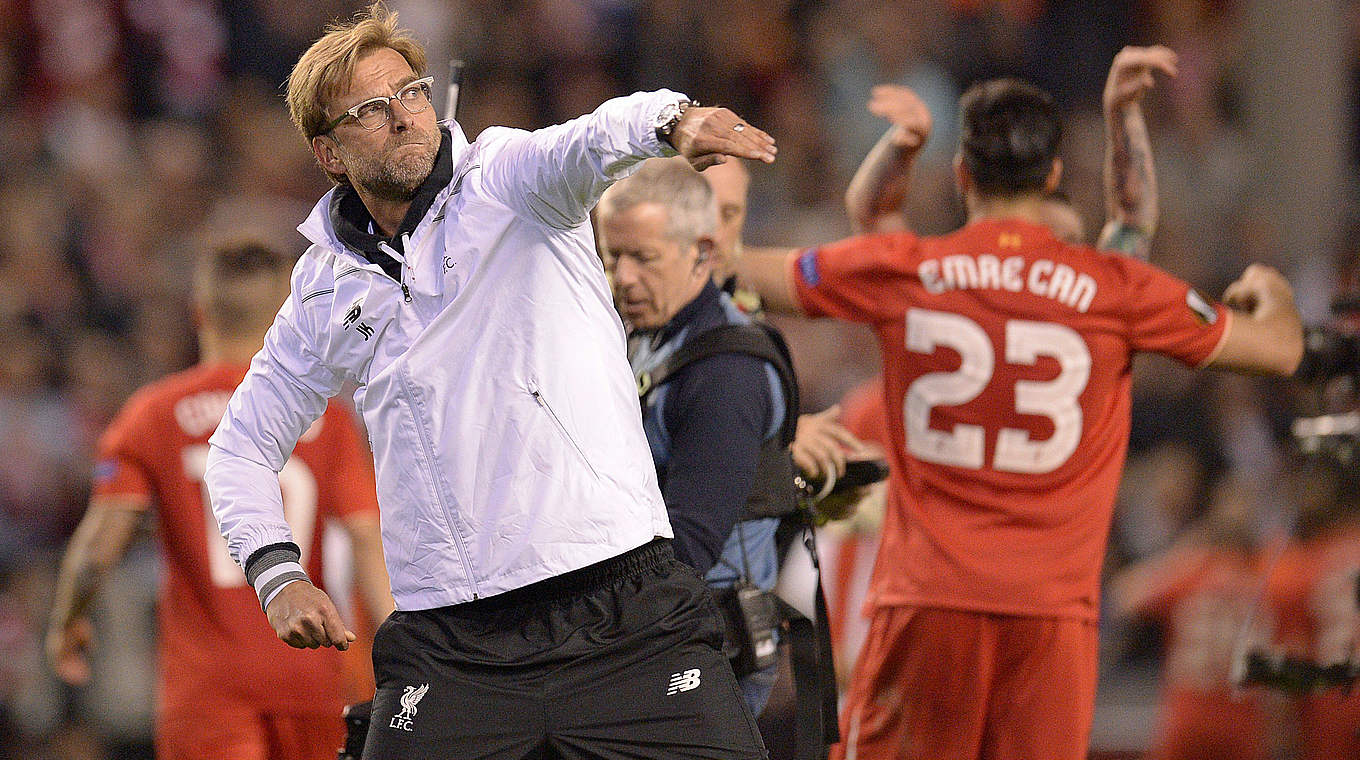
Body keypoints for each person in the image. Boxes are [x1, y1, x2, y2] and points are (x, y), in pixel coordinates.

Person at [202, 4, 777, 759]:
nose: (404, 117)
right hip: (453, 642)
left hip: (621, 609)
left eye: (409, 92)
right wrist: (277, 574)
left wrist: (670, 120)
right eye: (370, 111)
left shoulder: (508, 179)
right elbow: (239, 448)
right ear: (328, 154)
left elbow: (589, 138)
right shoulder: (322, 289)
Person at [735, 68, 1304, 759]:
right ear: (1054, 174)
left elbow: (748, 271)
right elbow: (1276, 349)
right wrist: (1271, 289)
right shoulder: (1113, 289)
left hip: (927, 604)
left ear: (962, 175)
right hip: (1052, 619)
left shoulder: (909, 269)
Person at [45, 238, 394, 760]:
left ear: (200, 313)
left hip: (207, 692)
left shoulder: (154, 414)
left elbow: (100, 547)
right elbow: (369, 540)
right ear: (285, 312)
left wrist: (67, 619)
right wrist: (402, 653)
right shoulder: (329, 418)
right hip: (313, 677)